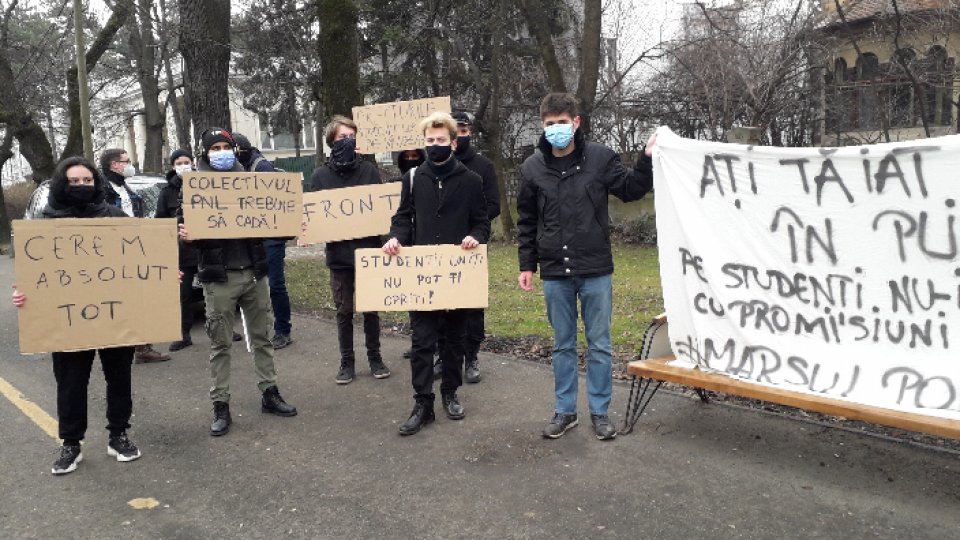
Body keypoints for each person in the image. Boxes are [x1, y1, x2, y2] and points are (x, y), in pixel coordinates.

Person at [516, 93, 654, 441]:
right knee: (562, 344)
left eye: (562, 122)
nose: (556, 129)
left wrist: (647, 161)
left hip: (594, 269)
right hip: (553, 270)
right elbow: (527, 220)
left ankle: (600, 411)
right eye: (550, 124)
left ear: (575, 123)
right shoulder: (532, 168)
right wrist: (526, 264)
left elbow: (630, 189)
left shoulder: (600, 158)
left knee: (599, 345)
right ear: (542, 126)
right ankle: (565, 411)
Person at [12, 156, 142, 475]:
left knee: (119, 378)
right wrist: (24, 295)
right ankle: (71, 443)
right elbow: (34, 275)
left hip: (114, 316)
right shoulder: (45, 225)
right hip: (67, 319)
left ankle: (118, 435)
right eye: (74, 181)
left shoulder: (115, 217)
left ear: (96, 183)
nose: (82, 186)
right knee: (71, 383)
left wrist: (162, 279)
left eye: (87, 181)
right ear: (62, 184)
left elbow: (141, 258)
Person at [179, 127, 297, 437]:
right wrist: (188, 237)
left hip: (254, 273)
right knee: (220, 344)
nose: (221, 152)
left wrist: (289, 220)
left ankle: (270, 393)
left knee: (262, 337)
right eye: (214, 147)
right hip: (220, 278)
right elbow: (184, 231)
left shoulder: (251, 182)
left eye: (225, 146)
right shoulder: (194, 187)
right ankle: (221, 405)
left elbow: (273, 222)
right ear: (206, 153)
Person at [384, 111, 490, 436]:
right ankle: (423, 402)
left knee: (454, 339)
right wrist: (395, 238)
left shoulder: (471, 180)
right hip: (421, 276)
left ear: (453, 142)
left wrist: (476, 236)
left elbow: (482, 221)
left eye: (441, 140)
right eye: (429, 141)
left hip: (457, 275)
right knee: (421, 342)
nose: (435, 145)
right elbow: (403, 217)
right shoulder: (413, 178)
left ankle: (450, 393)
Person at [310, 115, 390, 384]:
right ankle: (347, 361)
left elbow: (380, 211)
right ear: (332, 140)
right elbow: (316, 218)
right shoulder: (320, 176)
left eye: (352, 136)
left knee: (371, 310)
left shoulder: (368, 171)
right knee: (344, 311)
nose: (349, 141)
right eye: (343, 137)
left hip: (369, 252)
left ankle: (375, 358)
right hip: (339, 257)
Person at [100, 148, 170, 364]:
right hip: (112, 255)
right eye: (126, 161)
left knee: (140, 300)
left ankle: (142, 346)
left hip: (134, 250)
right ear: (114, 165)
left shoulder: (126, 188)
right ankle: (118, 346)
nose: (130, 165)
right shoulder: (102, 191)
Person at [448, 111, 500, 383]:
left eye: (464, 131)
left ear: (470, 133)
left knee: (472, 305)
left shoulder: (483, 166)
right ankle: (445, 358)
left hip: (472, 246)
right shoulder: (434, 164)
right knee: (443, 303)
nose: (459, 137)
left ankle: (472, 357)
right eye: (454, 132)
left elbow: (494, 205)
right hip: (441, 247)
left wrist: (472, 228)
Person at [233, 132, 294, 350]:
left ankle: (282, 330)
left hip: (271, 239)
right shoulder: (238, 169)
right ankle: (261, 329)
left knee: (275, 285)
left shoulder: (261, 168)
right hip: (253, 238)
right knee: (253, 286)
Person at [156, 149, 199, 352]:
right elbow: (161, 222)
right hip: (182, 252)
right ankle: (184, 334)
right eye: (179, 162)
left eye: (187, 161)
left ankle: (221, 329)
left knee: (214, 292)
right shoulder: (166, 193)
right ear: (173, 166)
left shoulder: (204, 185)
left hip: (206, 249)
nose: (184, 165)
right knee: (184, 295)